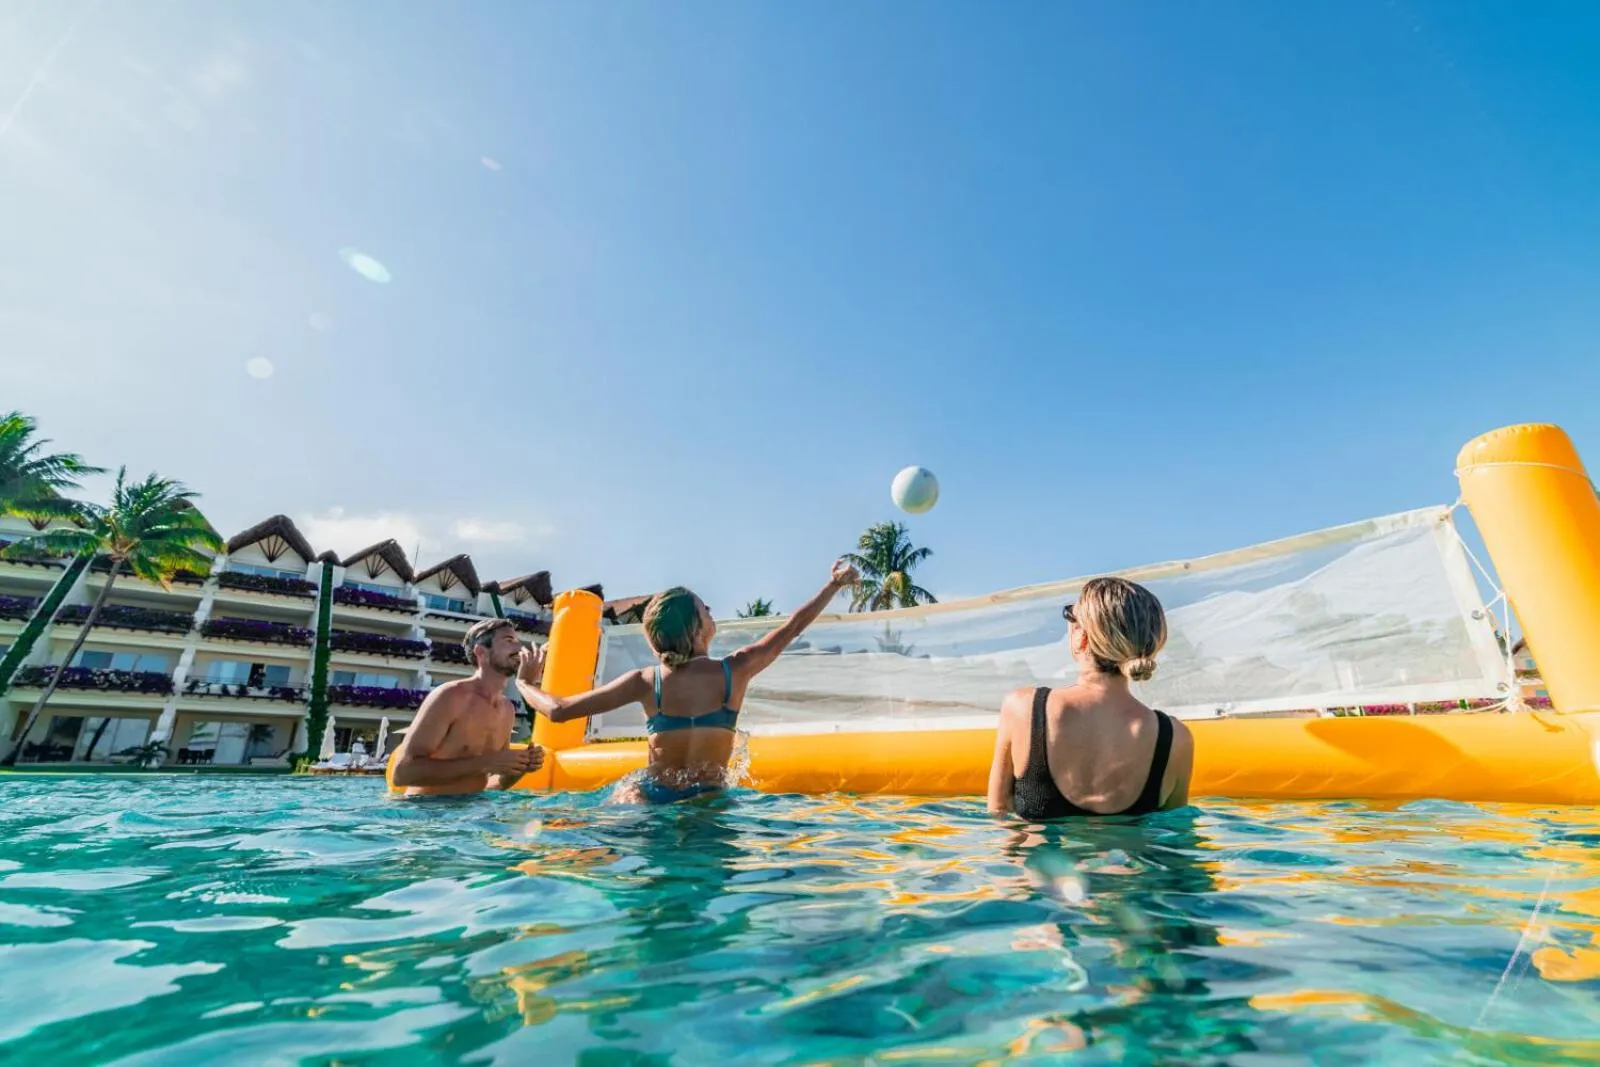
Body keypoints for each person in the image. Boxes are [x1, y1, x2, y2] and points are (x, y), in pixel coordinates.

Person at [515, 559, 859, 803]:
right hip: (706, 803)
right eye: (705, 609)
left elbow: (558, 711)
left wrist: (524, 684)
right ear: (697, 630)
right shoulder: (735, 671)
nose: (711, 610)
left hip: (647, 796)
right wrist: (833, 584)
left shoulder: (647, 681)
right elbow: (794, 626)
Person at [987, 576, 1193, 818]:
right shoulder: (1176, 738)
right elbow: (1174, 836)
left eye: (1069, 615)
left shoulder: (1024, 708)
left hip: (1039, 855)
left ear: (1082, 636)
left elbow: (998, 816)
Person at [390, 617, 546, 796]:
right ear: (481, 652)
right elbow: (402, 774)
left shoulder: (507, 709)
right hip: (428, 813)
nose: (519, 648)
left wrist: (520, 767)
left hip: (473, 810)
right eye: (509, 640)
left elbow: (494, 782)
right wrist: (486, 763)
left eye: (518, 642)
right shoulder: (451, 696)